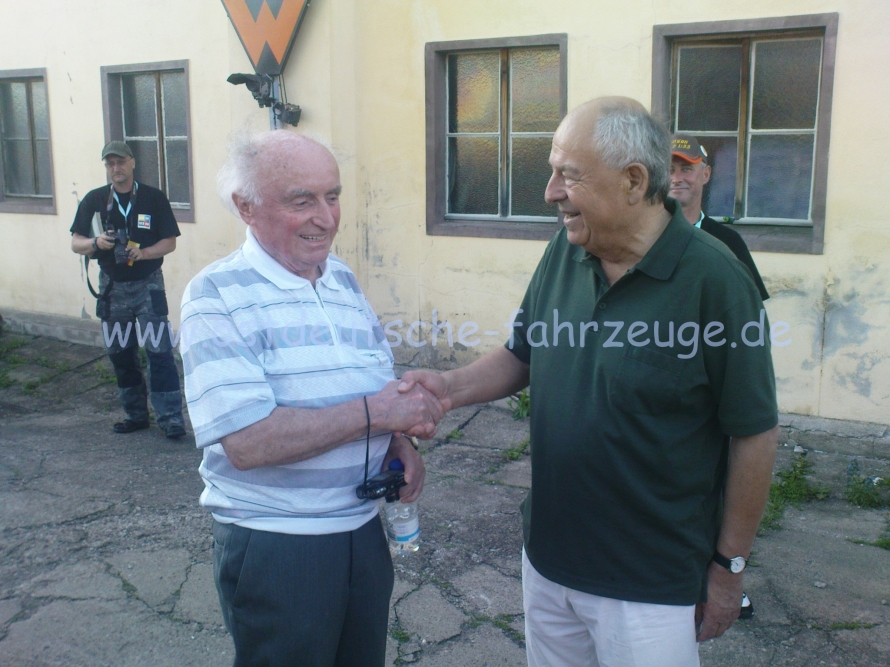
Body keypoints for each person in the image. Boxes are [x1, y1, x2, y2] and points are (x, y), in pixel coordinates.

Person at [399, 98, 779, 667]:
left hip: (648, 583)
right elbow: (523, 353)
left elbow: (754, 434)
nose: (550, 191)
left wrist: (729, 568)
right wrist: (448, 388)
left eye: (568, 175)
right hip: (548, 559)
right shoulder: (566, 250)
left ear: (633, 181)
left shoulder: (717, 280)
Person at [179, 130, 442, 667]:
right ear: (246, 208)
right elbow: (248, 443)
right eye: (302, 201)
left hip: (362, 529)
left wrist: (396, 444)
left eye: (333, 196)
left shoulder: (341, 279)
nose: (326, 217)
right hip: (280, 543)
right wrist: (379, 414)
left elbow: (372, 382)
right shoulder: (216, 295)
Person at [70, 141, 186, 439]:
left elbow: (170, 241)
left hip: (148, 285)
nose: (115, 169)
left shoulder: (152, 198)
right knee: (121, 353)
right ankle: (135, 415)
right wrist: (96, 244)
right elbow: (76, 242)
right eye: (109, 164)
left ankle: (171, 417)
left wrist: (144, 253)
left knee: (159, 351)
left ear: (132, 162)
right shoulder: (94, 200)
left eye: (120, 162)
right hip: (111, 288)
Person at [669, 133, 769, 301]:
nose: (677, 179)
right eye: (669, 170)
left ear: (706, 174)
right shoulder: (643, 237)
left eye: (686, 169)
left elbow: (752, 306)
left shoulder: (728, 241)